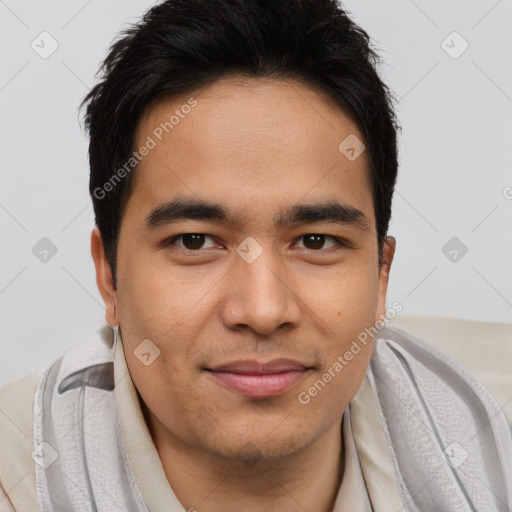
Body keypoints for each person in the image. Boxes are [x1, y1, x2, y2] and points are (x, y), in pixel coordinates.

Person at [1, 0, 511, 510]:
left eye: (316, 241)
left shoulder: (495, 434)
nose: (263, 311)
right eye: (195, 241)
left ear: (381, 277)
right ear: (109, 276)